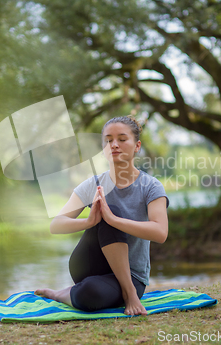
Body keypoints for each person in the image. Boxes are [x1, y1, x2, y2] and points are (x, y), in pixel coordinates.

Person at [35, 115, 169, 316]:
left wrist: (114, 220)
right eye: (108, 140)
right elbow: (56, 225)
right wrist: (90, 221)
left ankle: (65, 293)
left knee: (90, 294)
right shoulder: (93, 184)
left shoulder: (150, 186)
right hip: (89, 265)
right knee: (107, 209)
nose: (114, 145)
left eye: (122, 139)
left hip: (133, 276)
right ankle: (119, 293)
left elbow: (160, 232)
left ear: (137, 145)